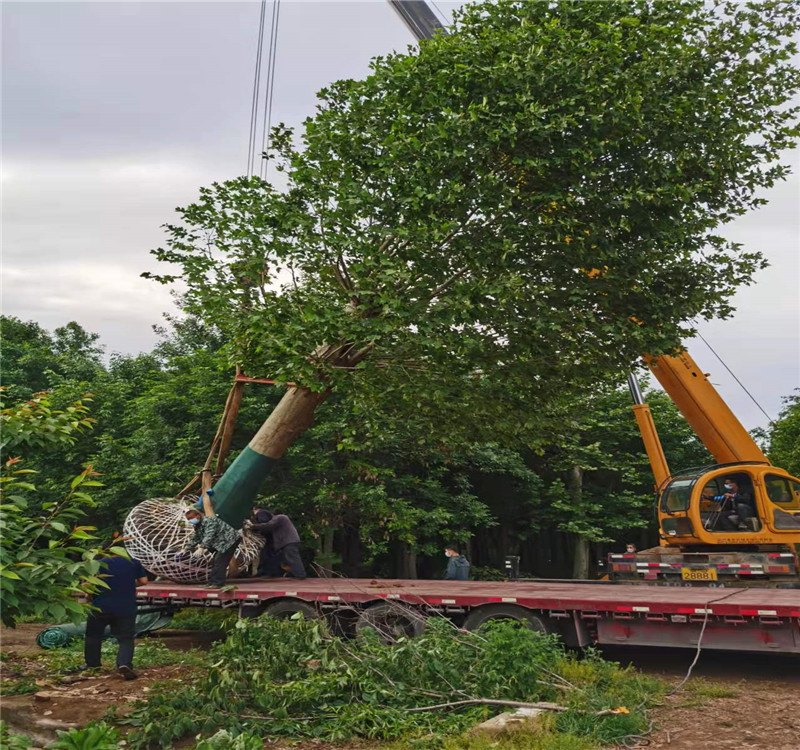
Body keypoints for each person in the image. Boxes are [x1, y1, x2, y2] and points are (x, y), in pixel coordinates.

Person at [79, 554, 148, 680]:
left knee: (93, 636)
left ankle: (92, 665)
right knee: (126, 638)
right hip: (125, 608)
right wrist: (129, 586)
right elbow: (143, 581)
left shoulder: (96, 564)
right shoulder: (133, 562)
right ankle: (124, 664)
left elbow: (86, 586)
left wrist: (88, 596)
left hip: (100, 607)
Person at [183, 489, 241, 587]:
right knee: (215, 562)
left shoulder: (209, 521)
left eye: (192, 518)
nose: (191, 521)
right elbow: (196, 537)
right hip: (221, 542)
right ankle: (212, 583)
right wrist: (186, 549)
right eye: (189, 519)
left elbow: (209, 535)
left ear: (198, 516)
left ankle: (217, 583)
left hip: (229, 540)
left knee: (219, 562)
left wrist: (202, 547)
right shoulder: (199, 525)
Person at [249, 511, 306, 579]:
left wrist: (252, 526)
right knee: (289, 559)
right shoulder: (283, 519)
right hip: (290, 541)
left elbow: (268, 525)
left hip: (289, 542)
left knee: (292, 558)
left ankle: (300, 575)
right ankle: (295, 573)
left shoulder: (279, 517)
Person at [251, 507, 283, 578]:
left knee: (267, 555)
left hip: (267, 539)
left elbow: (265, 524)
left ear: (254, 509)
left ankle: (265, 572)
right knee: (270, 555)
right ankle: (271, 572)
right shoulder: (266, 513)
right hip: (271, 538)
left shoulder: (261, 513)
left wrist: (253, 527)